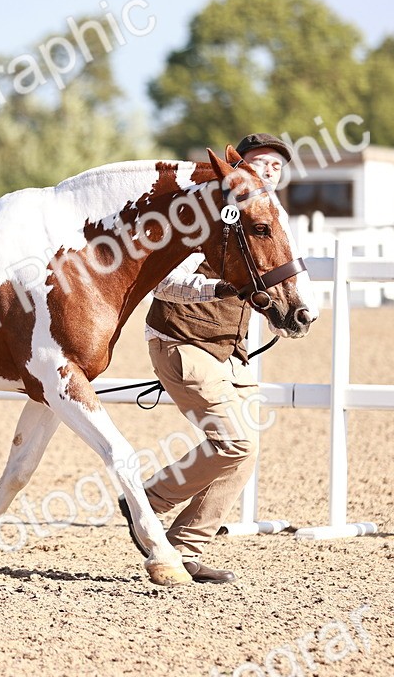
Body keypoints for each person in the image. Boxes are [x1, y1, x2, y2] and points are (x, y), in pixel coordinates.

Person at [119, 133, 293, 583]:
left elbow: (281, 275)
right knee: (234, 442)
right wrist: (222, 288)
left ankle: (182, 549)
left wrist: (287, 314)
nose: (269, 172)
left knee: (245, 451)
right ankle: (149, 501)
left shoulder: (275, 217)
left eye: (276, 165)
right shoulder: (198, 216)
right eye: (260, 163)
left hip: (231, 349)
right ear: (237, 169)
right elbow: (163, 283)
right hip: (181, 341)